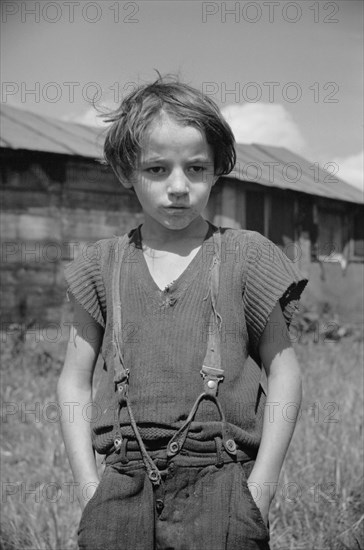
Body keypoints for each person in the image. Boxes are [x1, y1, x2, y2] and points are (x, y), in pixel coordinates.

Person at [57, 76, 308, 550]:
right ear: (126, 171)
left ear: (216, 171)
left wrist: (261, 491)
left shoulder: (245, 257)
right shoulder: (100, 265)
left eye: (196, 168)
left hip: (221, 478)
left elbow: (285, 373)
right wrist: (90, 491)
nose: (178, 187)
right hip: (121, 480)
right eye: (156, 169)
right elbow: (73, 379)